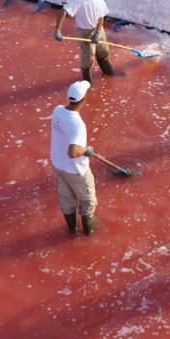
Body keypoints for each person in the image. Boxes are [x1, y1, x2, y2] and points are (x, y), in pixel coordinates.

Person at [50, 80, 98, 235]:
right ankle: (88, 233)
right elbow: (73, 151)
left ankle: (71, 231)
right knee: (88, 202)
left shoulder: (57, 110)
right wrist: (86, 150)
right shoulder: (78, 124)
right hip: (76, 171)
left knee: (67, 199)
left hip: (58, 165)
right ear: (84, 99)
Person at [54, 0, 116, 83]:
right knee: (88, 59)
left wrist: (97, 32)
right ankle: (87, 84)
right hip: (84, 31)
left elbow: (101, 15)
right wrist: (58, 31)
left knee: (103, 51)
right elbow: (63, 11)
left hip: (98, 28)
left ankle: (109, 74)